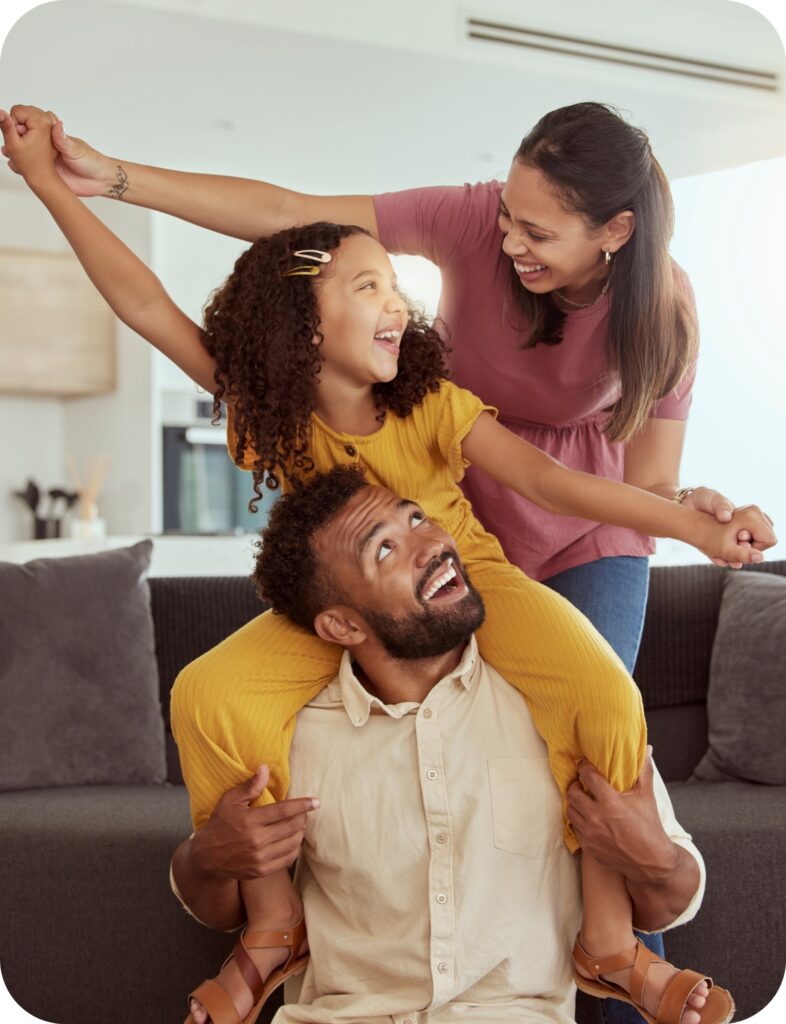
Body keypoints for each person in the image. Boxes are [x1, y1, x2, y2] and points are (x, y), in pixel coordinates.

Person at [2, 98, 773, 1022]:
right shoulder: (272, 414)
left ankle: (609, 939)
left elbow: (553, 483)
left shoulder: (433, 403)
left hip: (476, 573)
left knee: (604, 692)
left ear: (614, 233)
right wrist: (56, 182)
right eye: (368, 287)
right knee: (207, 696)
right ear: (304, 329)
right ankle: (271, 927)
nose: (399, 301)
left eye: (391, 284)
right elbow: (147, 304)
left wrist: (690, 528)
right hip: (338, 601)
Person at [170, 465, 733, 1024]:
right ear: (343, 626)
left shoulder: (563, 704)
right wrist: (207, 858)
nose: (432, 545)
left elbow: (672, 900)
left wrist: (655, 857)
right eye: (385, 550)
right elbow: (217, 907)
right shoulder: (287, 729)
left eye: (417, 518)